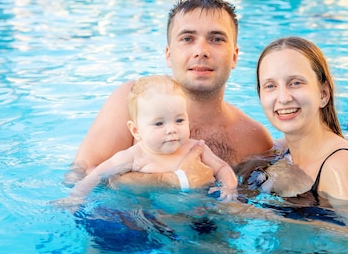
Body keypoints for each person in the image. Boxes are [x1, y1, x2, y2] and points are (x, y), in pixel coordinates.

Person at [71, 0, 273, 188]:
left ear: (235, 56)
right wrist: (172, 181)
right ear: (168, 54)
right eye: (187, 39)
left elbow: (245, 206)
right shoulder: (132, 99)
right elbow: (81, 175)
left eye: (217, 39)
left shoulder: (254, 139)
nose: (201, 51)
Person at [243, 36, 348, 209]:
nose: (283, 98)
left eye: (296, 83)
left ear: (323, 94)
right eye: (270, 86)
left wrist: (250, 213)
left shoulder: (341, 166)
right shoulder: (280, 151)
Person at [63, 75, 238, 204]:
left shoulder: (195, 149)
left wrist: (229, 187)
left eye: (179, 120)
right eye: (159, 123)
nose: (171, 129)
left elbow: (222, 167)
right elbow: (98, 174)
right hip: (149, 218)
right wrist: (76, 197)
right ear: (136, 130)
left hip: (193, 217)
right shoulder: (133, 156)